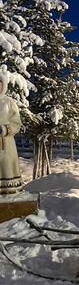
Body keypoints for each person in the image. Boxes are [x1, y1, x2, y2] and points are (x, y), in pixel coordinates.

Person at [0, 66, 23, 195]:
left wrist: (4, 129)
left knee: (6, 165)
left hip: (6, 143)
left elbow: (16, 123)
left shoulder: (9, 102)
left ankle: (8, 192)